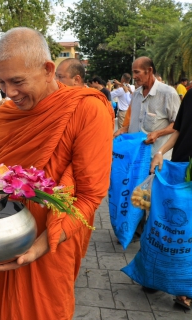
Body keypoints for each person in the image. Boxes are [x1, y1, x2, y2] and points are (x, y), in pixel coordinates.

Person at [0, 27, 114, 320]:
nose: (9, 92)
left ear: (48, 69)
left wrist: (40, 246)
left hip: (49, 244)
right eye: (2, 81)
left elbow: (91, 196)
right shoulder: (8, 114)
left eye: (17, 81)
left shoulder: (87, 110)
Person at [150, 90, 192, 310]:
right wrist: (160, 152)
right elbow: (178, 130)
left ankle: (185, 289)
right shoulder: (191, 95)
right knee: (169, 229)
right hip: (180, 170)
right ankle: (154, 274)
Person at [114, 57, 180, 159]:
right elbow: (135, 122)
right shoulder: (136, 94)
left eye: (137, 72)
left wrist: (158, 133)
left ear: (149, 70)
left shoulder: (168, 93)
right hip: (135, 158)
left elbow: (177, 124)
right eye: (133, 73)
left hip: (156, 159)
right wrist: (124, 129)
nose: (134, 76)